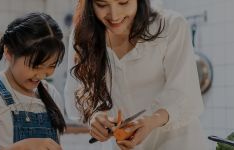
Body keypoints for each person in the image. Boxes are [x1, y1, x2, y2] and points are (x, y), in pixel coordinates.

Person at [64, 0, 207, 149]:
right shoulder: (84, 35)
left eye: (123, 2)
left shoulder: (171, 25)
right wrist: (95, 116)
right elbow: (79, 90)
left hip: (177, 142)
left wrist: (152, 121)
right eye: (102, 4)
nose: (114, 15)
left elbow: (184, 93)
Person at [0, 12, 66, 150]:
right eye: (35, 65)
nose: (41, 75)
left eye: (51, 66)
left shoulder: (52, 94)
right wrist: (25, 147)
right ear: (8, 52)